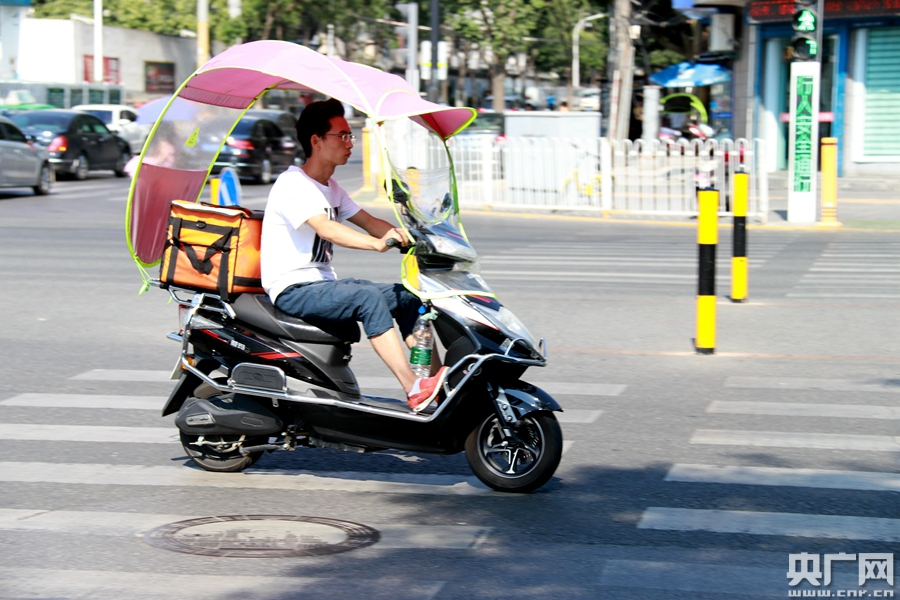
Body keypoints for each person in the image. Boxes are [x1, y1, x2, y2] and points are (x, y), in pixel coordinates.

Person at [260, 99, 448, 412]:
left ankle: (436, 381)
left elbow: (371, 223)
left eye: (351, 136)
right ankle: (413, 387)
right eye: (343, 136)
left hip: (321, 285)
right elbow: (326, 229)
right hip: (294, 289)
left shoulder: (331, 187)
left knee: (406, 296)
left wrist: (415, 238)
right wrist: (377, 245)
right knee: (366, 297)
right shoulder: (293, 183)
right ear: (316, 141)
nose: (350, 143)